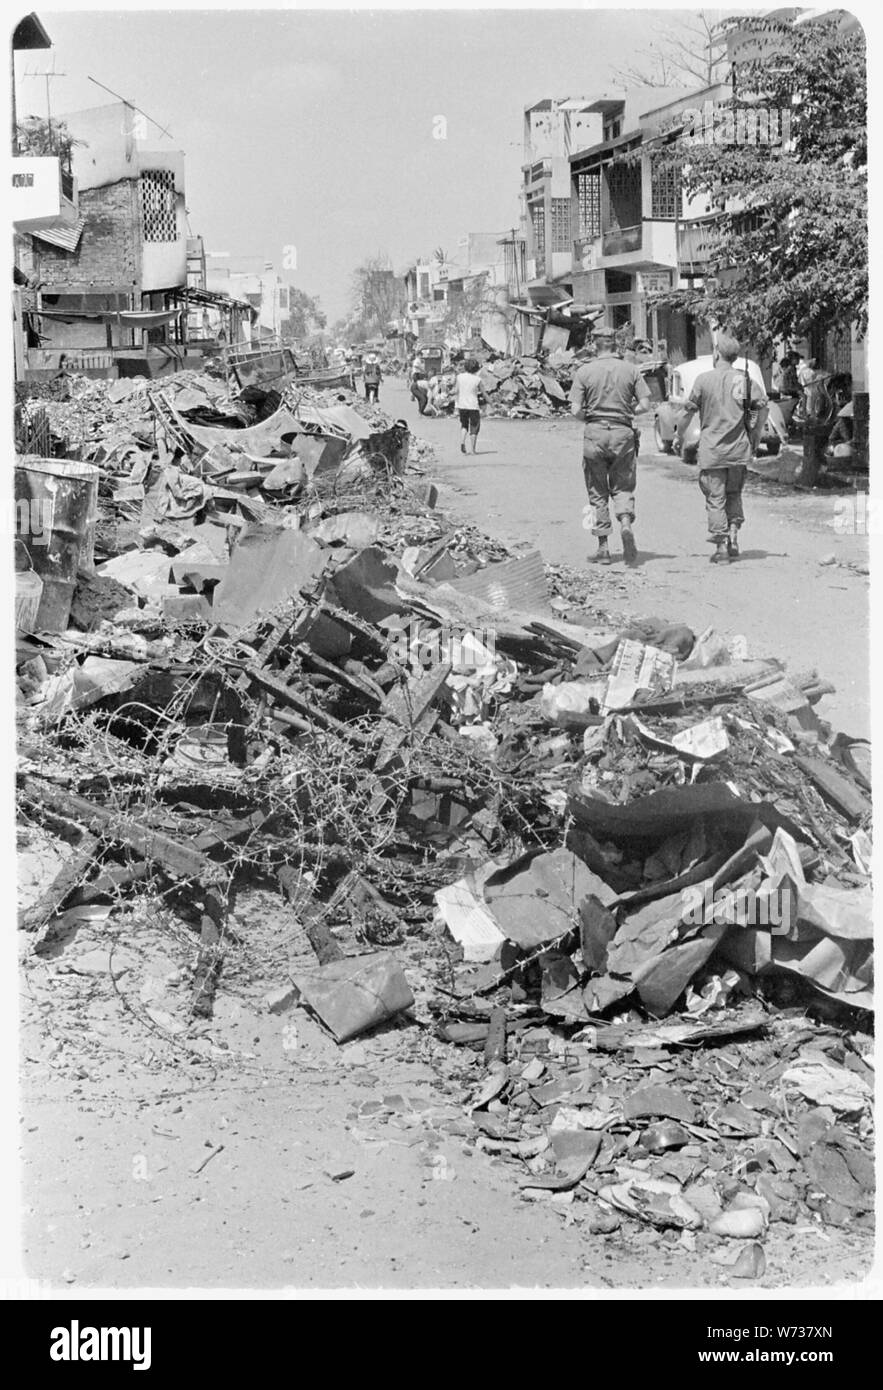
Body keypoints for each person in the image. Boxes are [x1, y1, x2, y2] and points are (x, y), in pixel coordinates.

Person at [678, 332, 767, 564]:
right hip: (739, 451)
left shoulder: (703, 380)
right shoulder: (745, 380)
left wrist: (679, 435)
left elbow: (687, 413)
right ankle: (734, 537)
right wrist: (755, 434)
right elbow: (762, 408)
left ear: (716, 353)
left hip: (713, 451)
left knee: (715, 498)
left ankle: (721, 548)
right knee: (734, 493)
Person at [569, 323, 652, 565]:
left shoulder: (584, 372)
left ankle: (603, 548)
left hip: (595, 433)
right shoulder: (631, 370)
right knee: (623, 486)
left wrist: (591, 417)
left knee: (597, 491)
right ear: (615, 344)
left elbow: (575, 410)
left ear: (595, 346)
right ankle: (625, 522)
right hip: (622, 432)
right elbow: (646, 404)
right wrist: (627, 413)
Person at [455, 357, 484, 453]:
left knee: (464, 425)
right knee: (474, 427)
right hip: (473, 406)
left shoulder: (459, 377)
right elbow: (484, 393)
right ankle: (473, 450)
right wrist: (492, 403)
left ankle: (462, 442)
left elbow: (456, 391)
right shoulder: (477, 379)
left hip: (462, 405)